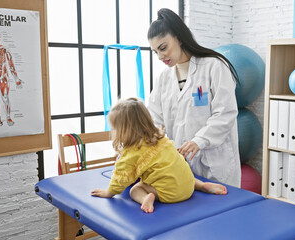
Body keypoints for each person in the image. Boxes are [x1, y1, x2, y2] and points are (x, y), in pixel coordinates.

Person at [147, 8, 241, 188]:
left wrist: (199, 141)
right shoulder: (163, 79)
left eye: (163, 48)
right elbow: (154, 120)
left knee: (220, 212)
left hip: (215, 165)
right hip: (181, 165)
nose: (160, 56)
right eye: (155, 52)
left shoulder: (214, 66)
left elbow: (225, 113)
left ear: (179, 37)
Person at [91, 98, 227, 213]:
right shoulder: (160, 138)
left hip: (171, 194)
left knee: (136, 189)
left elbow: (121, 178)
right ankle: (202, 185)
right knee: (181, 176)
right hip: (188, 186)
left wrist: (108, 192)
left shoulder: (131, 153)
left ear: (124, 130)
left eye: (115, 128)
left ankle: (145, 199)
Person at [0, 31, 23, 127]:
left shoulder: (4, 48)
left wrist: (16, 79)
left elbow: (11, 63)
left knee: (5, 97)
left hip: (3, 75)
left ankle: (8, 116)